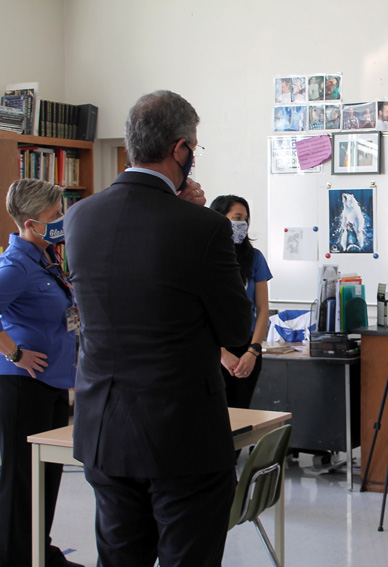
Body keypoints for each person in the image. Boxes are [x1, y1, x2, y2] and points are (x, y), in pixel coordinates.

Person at [64, 90, 253, 567]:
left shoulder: (79, 217)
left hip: (103, 430)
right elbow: (235, 328)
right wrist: (194, 215)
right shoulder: (204, 227)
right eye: (194, 148)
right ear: (180, 149)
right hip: (180, 435)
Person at [0, 179, 83, 567]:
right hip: (22, 387)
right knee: (20, 479)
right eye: (54, 216)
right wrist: (15, 353)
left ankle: (39, 550)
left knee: (46, 477)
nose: (61, 221)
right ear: (30, 223)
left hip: (51, 384)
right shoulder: (15, 265)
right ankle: (16, 555)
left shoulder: (46, 258)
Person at [209, 195, 272, 412]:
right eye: (237, 218)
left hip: (248, 348)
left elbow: (263, 309)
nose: (242, 224)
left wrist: (253, 350)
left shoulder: (254, 257)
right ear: (219, 219)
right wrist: (220, 353)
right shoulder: (205, 256)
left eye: (245, 219)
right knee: (216, 418)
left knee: (241, 416)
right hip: (214, 349)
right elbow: (197, 311)